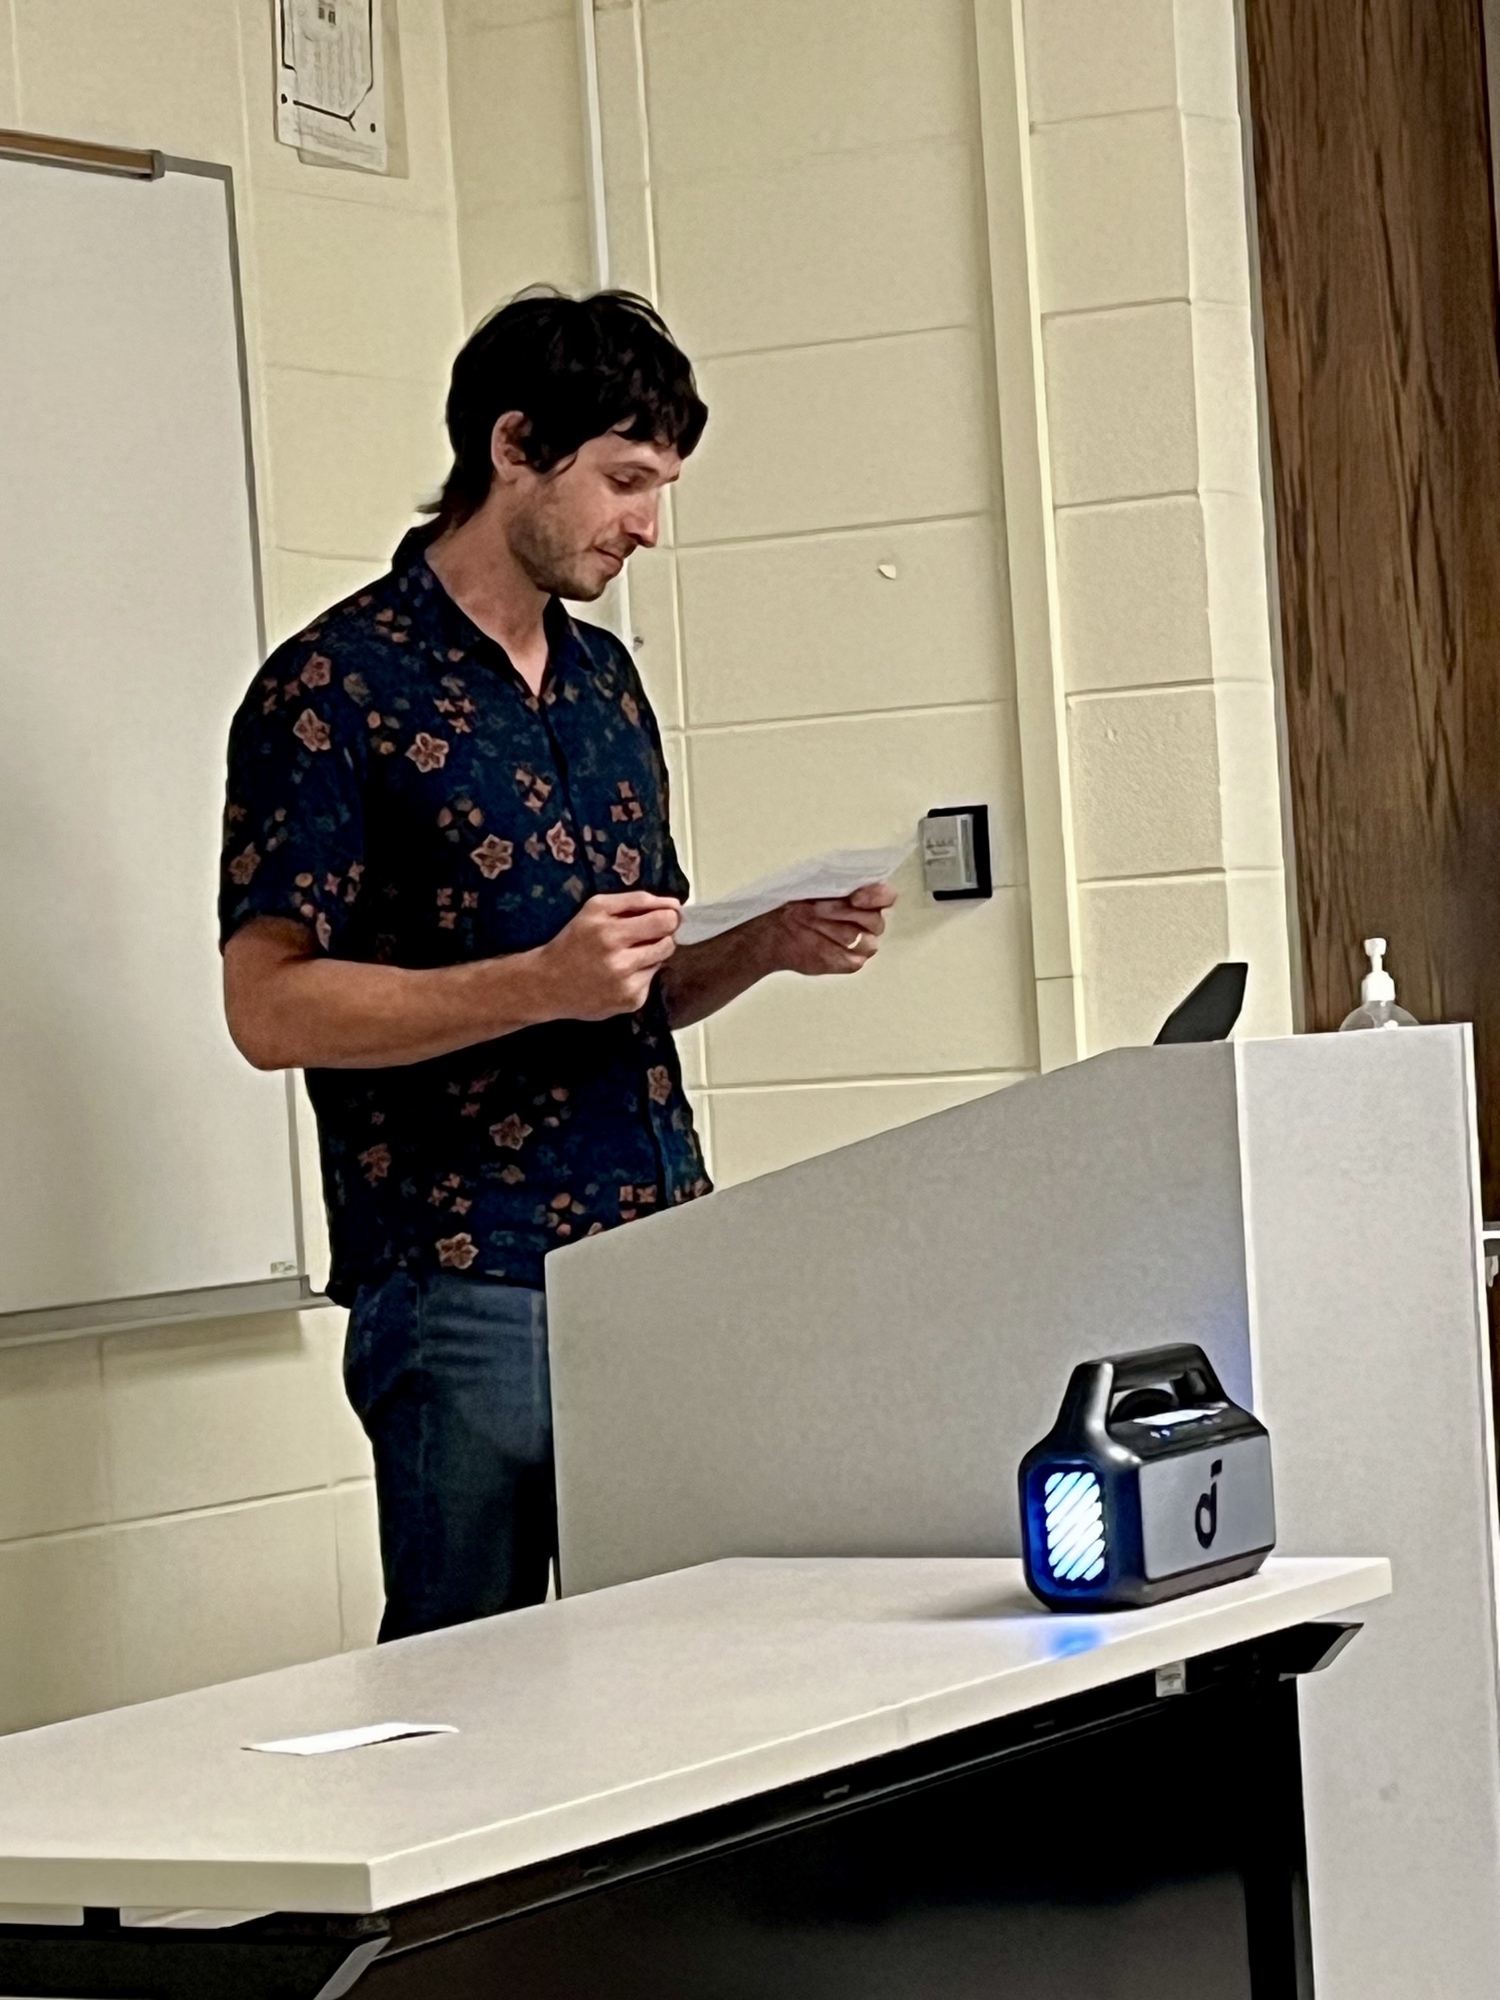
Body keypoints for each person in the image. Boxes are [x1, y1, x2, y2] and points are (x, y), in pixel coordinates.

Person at [219, 290, 896, 1641]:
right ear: (515, 447)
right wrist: (537, 980)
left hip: (655, 1254)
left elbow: (630, 989)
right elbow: (266, 1007)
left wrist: (765, 944)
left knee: (672, 1660)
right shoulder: (334, 687)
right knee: (471, 1680)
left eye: (662, 489)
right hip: (466, 1274)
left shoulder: (605, 684)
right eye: (625, 481)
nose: (648, 525)